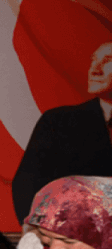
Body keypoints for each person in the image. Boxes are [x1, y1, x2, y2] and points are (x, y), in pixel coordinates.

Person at [12, 41, 112, 223]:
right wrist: (40, 232)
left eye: (107, 60)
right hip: (72, 234)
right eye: (93, 61)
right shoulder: (57, 122)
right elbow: (27, 185)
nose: (94, 70)